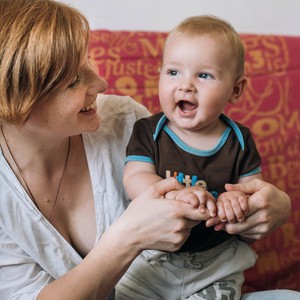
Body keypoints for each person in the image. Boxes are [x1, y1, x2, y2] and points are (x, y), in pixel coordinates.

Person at [0, 1, 297, 299]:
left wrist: (274, 206)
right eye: (73, 80)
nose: (102, 83)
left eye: (87, 60)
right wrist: (128, 238)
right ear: (16, 101)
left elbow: (244, 187)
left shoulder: (123, 120)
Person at [116, 16, 295, 300]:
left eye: (204, 75)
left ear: (235, 90)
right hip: (152, 259)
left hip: (216, 265)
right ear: (159, 73)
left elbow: (252, 190)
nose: (186, 86)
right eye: (174, 72)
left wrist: (236, 202)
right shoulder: (149, 130)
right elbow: (135, 178)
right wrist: (175, 194)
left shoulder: (240, 139)